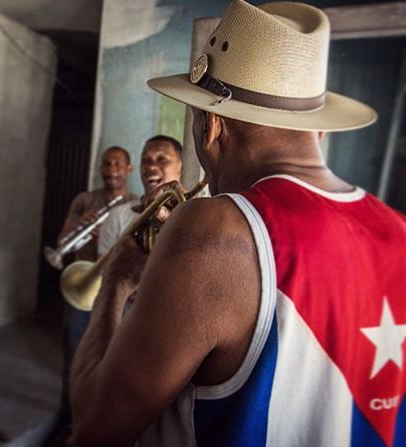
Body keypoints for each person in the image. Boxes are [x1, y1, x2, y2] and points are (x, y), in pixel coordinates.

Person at [70, 1, 405, 446]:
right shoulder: (398, 229)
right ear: (317, 132)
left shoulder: (216, 229)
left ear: (210, 125)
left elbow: (95, 424)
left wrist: (116, 279)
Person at [51, 145, 137, 445]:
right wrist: (77, 228)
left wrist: (113, 239)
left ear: (128, 169)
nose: (111, 168)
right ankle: (67, 420)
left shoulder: (135, 206)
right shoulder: (84, 200)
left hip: (115, 297)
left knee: (111, 362)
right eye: (106, 163)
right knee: (74, 357)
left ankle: (96, 426)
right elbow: (64, 241)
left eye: (117, 164)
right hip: (80, 291)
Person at [98, 135, 183, 257]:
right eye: (145, 160)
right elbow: (103, 274)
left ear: (181, 165)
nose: (151, 166)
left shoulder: (194, 213)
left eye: (162, 159)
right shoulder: (117, 216)